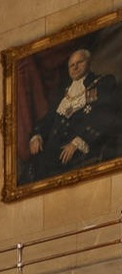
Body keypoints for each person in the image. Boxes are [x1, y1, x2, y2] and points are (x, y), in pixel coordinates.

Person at [22, 46, 118, 184]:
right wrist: (37, 135)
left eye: (79, 63)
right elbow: (49, 119)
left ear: (89, 62)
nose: (75, 67)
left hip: (82, 147)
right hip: (53, 150)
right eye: (71, 65)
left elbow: (105, 115)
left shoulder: (103, 82)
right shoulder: (64, 92)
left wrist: (78, 142)